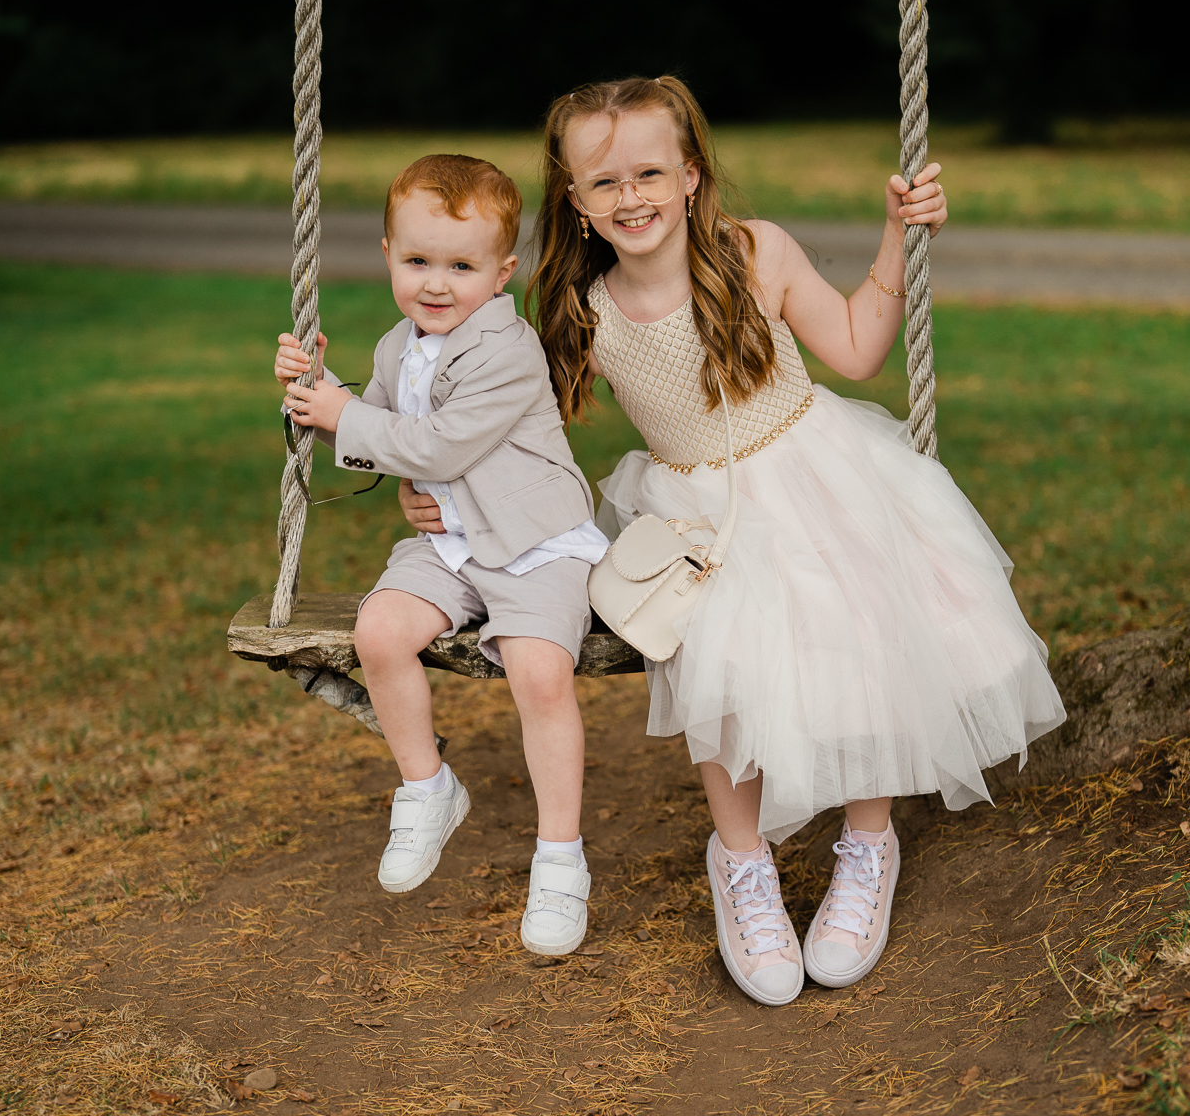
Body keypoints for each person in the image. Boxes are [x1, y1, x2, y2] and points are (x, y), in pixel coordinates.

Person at [402, 78, 1067, 1006]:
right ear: (574, 201)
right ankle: (742, 863)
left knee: (854, 627)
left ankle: (868, 841)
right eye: (604, 182)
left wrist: (898, 237)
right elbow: (508, 428)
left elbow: (856, 348)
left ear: (690, 173)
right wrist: (428, 481)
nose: (630, 196)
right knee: (716, 655)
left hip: (815, 469)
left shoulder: (756, 254)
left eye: (648, 172)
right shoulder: (580, 310)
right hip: (693, 513)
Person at [274, 153, 608, 956]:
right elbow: (378, 437)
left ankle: (561, 857)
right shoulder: (400, 345)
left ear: (502, 274)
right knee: (380, 633)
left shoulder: (508, 348)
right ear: (389, 255)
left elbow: (436, 443)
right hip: (451, 541)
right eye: (419, 260)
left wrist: (348, 416)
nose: (437, 283)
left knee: (540, 675)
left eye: (462, 266)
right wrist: (313, 395)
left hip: (535, 546)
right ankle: (428, 787)